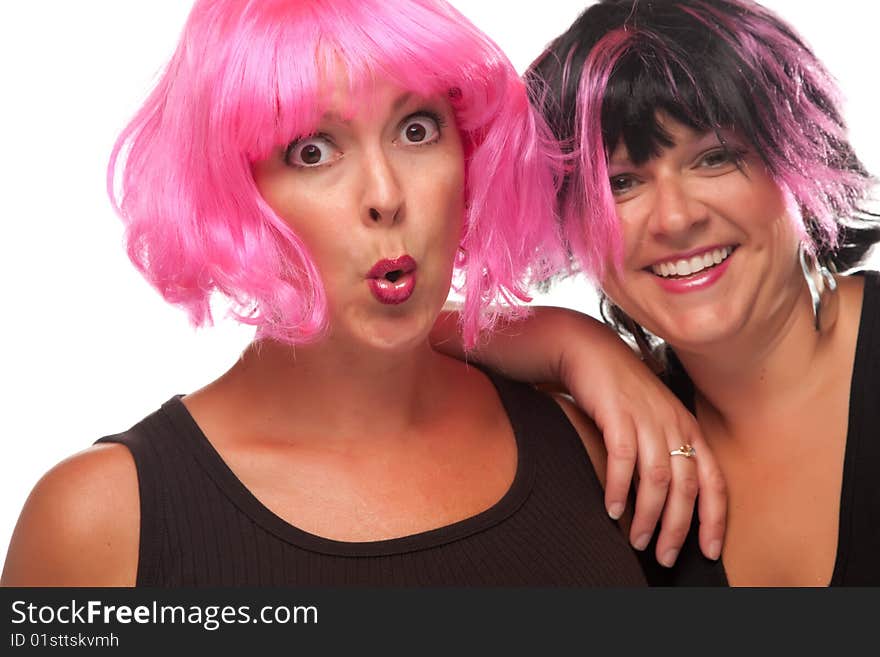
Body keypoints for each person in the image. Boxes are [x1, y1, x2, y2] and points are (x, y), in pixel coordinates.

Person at [0, 0, 718, 587]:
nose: (384, 195)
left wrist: (571, 340)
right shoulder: (101, 522)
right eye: (312, 150)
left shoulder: (595, 447)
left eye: (416, 129)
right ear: (234, 193)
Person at [435, 0, 879, 585]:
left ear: (798, 158)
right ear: (567, 217)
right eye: (620, 183)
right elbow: (370, 345)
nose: (673, 219)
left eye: (715, 158)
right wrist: (569, 341)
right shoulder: (610, 445)